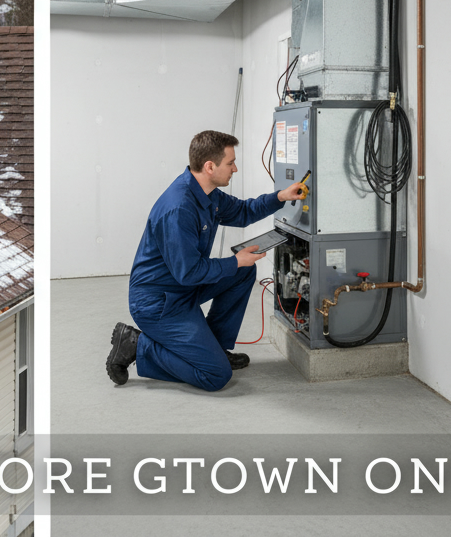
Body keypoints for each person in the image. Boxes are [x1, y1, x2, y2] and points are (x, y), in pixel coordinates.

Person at [106, 130, 306, 390]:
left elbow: (243, 211)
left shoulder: (207, 192)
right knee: (215, 375)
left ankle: (216, 347)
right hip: (159, 303)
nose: (235, 169)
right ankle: (136, 344)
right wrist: (235, 261)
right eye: (230, 163)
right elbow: (188, 272)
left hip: (183, 288)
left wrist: (280, 197)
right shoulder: (179, 208)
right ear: (210, 166)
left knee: (243, 272)